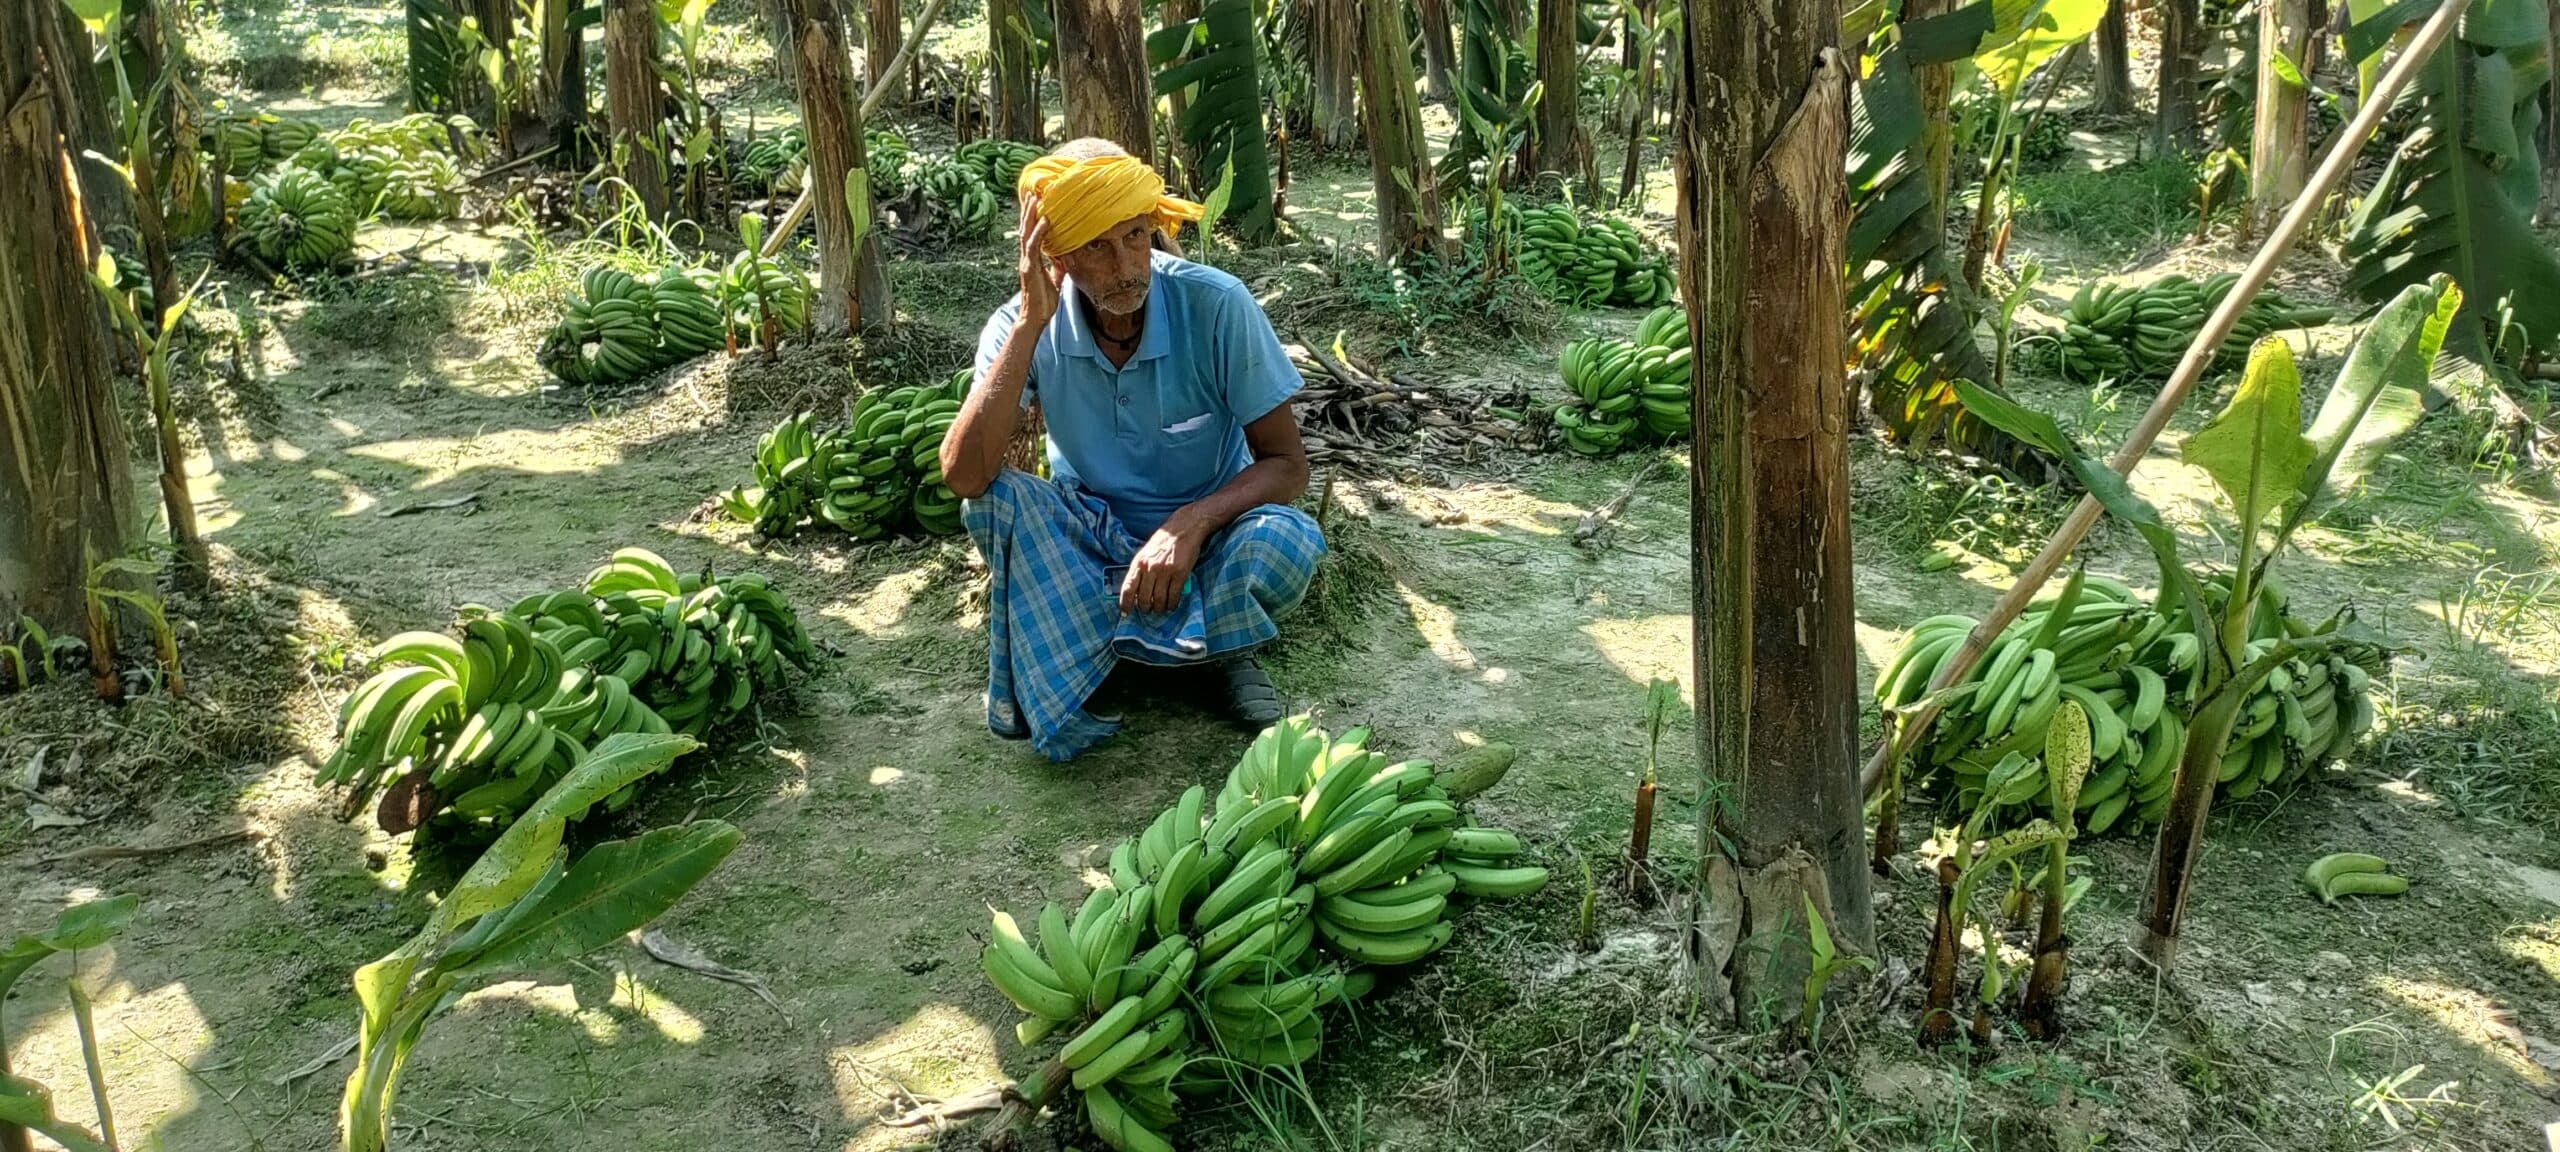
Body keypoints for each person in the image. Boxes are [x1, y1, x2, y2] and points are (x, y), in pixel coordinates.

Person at [938, 138, 1326, 761]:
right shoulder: (1022, 323)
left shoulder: (1217, 304)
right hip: (1092, 543)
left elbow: (1288, 465)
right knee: (992, 506)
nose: (1125, 266)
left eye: (1137, 236)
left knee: (1286, 543)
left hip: (1210, 545)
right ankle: (1164, 646)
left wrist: (1191, 523)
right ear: (1055, 256)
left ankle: (1211, 653)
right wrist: (1033, 323)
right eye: (1097, 245)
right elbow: (965, 475)